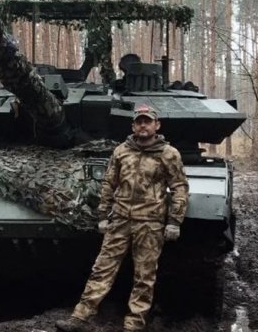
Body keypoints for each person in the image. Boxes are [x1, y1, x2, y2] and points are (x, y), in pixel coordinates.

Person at [56, 105, 189, 332]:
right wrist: (102, 215)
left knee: (144, 275)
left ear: (157, 125)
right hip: (120, 220)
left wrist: (175, 221)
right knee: (102, 269)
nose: (143, 125)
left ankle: (134, 324)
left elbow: (179, 188)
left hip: (150, 222)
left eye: (148, 121)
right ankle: (80, 317)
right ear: (133, 126)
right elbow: (109, 184)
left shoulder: (169, 154)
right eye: (139, 121)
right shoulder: (121, 151)